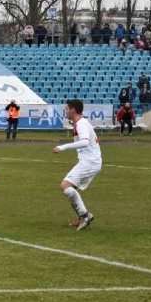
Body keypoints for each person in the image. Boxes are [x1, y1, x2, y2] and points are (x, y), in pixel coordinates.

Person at [53, 99, 101, 230]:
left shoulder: (81, 124)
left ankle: (85, 216)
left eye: (67, 108)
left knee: (65, 186)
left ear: (73, 109)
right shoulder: (81, 123)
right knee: (70, 190)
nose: (66, 111)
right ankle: (82, 217)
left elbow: (85, 141)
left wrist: (62, 147)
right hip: (90, 161)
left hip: (90, 162)